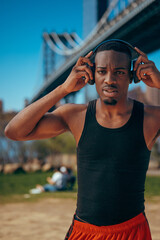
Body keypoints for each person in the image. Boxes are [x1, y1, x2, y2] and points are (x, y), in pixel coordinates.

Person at [5, 39, 160, 239]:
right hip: (85, 232)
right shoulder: (75, 115)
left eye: (120, 72)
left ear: (132, 76)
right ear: (91, 75)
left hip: (133, 232)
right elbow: (14, 131)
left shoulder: (151, 118)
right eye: (102, 71)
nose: (110, 79)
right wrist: (63, 89)